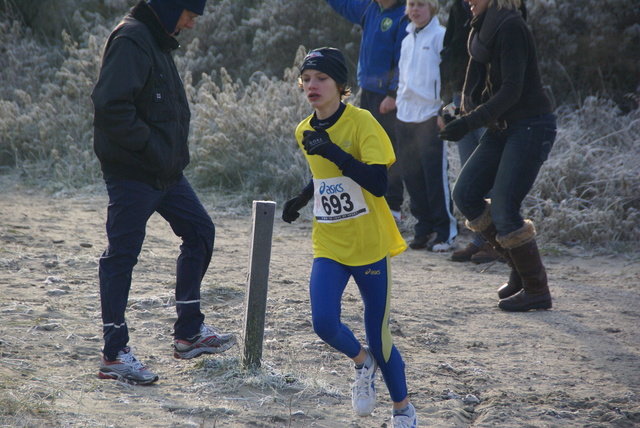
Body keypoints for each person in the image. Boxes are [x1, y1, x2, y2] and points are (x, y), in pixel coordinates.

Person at [91, 0, 235, 385]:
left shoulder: (156, 39)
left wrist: (166, 156)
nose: (190, 24)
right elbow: (110, 107)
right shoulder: (132, 39)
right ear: (170, 8)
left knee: (201, 231)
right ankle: (113, 353)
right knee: (121, 256)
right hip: (133, 174)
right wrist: (152, 149)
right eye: (189, 14)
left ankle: (189, 333)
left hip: (166, 174)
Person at [282, 47, 418, 427]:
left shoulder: (363, 123)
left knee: (379, 335)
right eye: (307, 79)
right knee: (323, 322)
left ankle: (403, 411)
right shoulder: (304, 130)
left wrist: (335, 152)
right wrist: (303, 196)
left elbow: (377, 183)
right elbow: (324, 174)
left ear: (341, 86)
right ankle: (362, 364)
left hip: (370, 245)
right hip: (329, 243)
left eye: (321, 79)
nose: (312, 86)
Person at [439, 0, 556, 312]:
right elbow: (483, 85)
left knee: (504, 206)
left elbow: (511, 90)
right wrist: (458, 114)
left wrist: (469, 122)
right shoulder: (482, 25)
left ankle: (537, 289)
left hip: (531, 125)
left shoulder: (510, 26)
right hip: (503, 127)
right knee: (465, 193)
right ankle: (519, 269)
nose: (467, 1)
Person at [322, 0, 409, 224]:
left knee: (388, 147)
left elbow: (403, 59)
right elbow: (344, 5)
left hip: (387, 96)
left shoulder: (403, 14)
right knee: (367, 146)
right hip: (368, 90)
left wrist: (393, 93)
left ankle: (393, 206)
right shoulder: (370, 7)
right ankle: (370, 200)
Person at [395, 0, 458, 252]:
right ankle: (424, 228)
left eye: (421, 4)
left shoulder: (442, 36)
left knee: (435, 177)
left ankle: (447, 233)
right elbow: (402, 78)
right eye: (411, 4)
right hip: (405, 116)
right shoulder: (406, 38)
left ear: (432, 7)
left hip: (432, 116)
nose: (415, 9)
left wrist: (447, 111)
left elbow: (452, 77)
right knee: (412, 176)